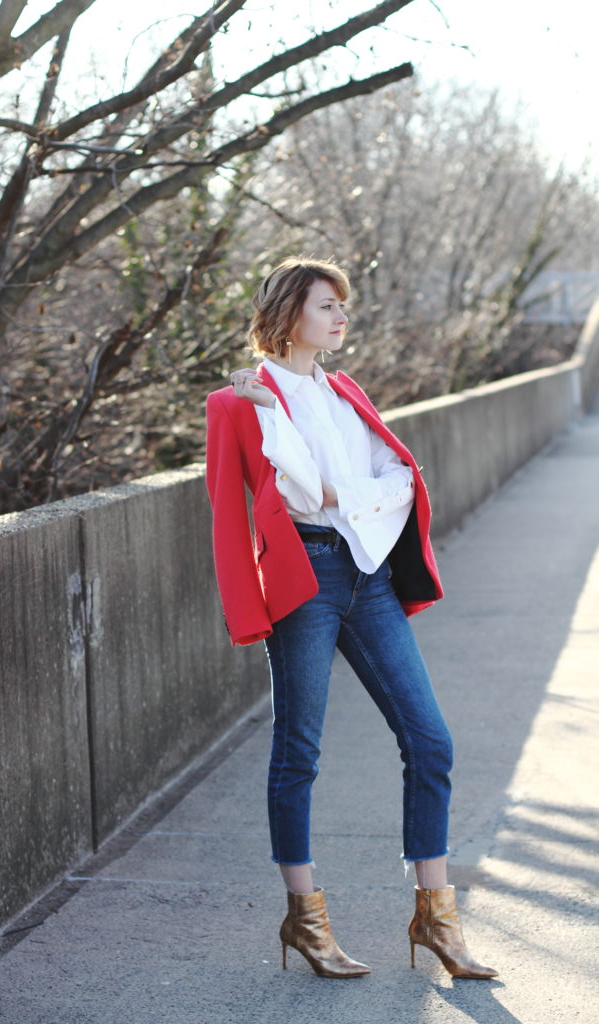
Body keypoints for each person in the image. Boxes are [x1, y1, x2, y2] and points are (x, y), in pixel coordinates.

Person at [205, 257, 497, 981]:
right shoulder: (240, 401)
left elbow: (399, 481)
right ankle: (305, 919)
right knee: (297, 750)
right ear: (288, 312)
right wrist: (315, 465)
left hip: (366, 577)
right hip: (303, 579)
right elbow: (264, 499)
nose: (341, 318)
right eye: (327, 305)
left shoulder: (344, 392)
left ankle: (436, 920)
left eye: (343, 306)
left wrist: (347, 493)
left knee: (429, 740)